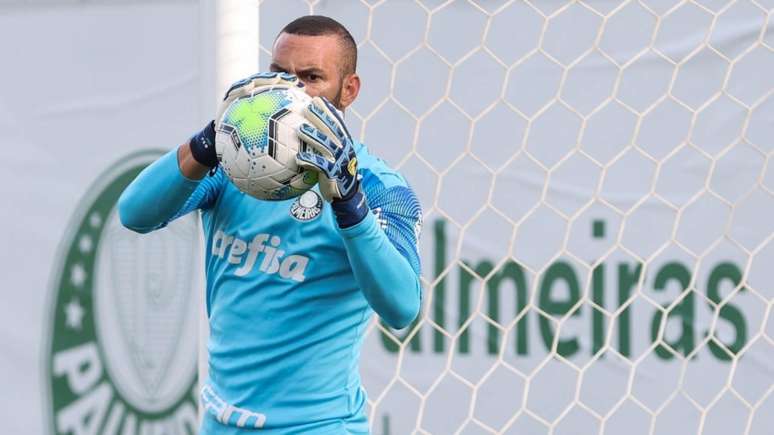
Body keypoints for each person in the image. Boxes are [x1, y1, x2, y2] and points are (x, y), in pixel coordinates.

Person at [118, 15, 422, 435]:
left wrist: (350, 205)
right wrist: (209, 141)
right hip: (219, 423)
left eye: (311, 77)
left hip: (317, 426)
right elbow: (134, 213)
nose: (290, 91)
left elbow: (402, 307)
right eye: (280, 74)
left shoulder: (377, 186)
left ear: (348, 90)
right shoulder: (233, 162)